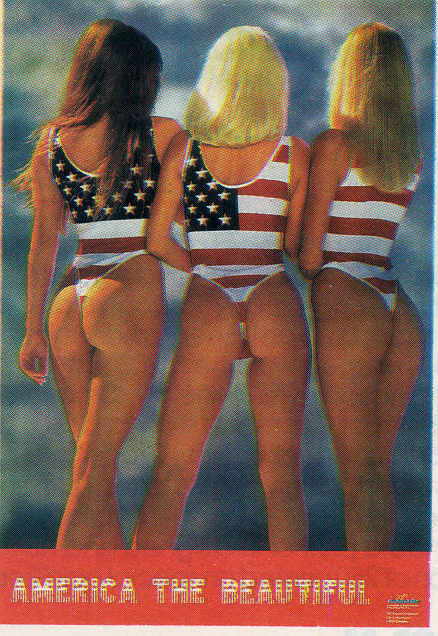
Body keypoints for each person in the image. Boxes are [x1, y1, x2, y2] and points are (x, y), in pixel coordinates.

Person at [134, 26, 310, 550]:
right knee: (282, 476)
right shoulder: (292, 154)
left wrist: (202, 263)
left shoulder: (186, 151)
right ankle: (295, 594)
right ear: (272, 86)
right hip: (271, 294)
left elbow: (156, 241)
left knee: (172, 472)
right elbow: (295, 248)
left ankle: (138, 590)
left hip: (210, 294)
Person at [15, 19, 181, 548]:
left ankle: (108, 588)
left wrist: (32, 331)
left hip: (69, 298)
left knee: (93, 469)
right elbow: (184, 227)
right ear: (139, 77)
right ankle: (62, 588)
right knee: (93, 472)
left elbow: (44, 243)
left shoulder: (52, 143)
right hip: (127, 285)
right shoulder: (162, 136)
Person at [299, 22, 422, 550]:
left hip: (346, 292)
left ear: (349, 73)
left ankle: (363, 590)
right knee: (376, 470)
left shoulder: (335, 145)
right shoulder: (407, 157)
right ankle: (378, 589)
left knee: (356, 474)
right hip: (396, 307)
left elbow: (310, 257)